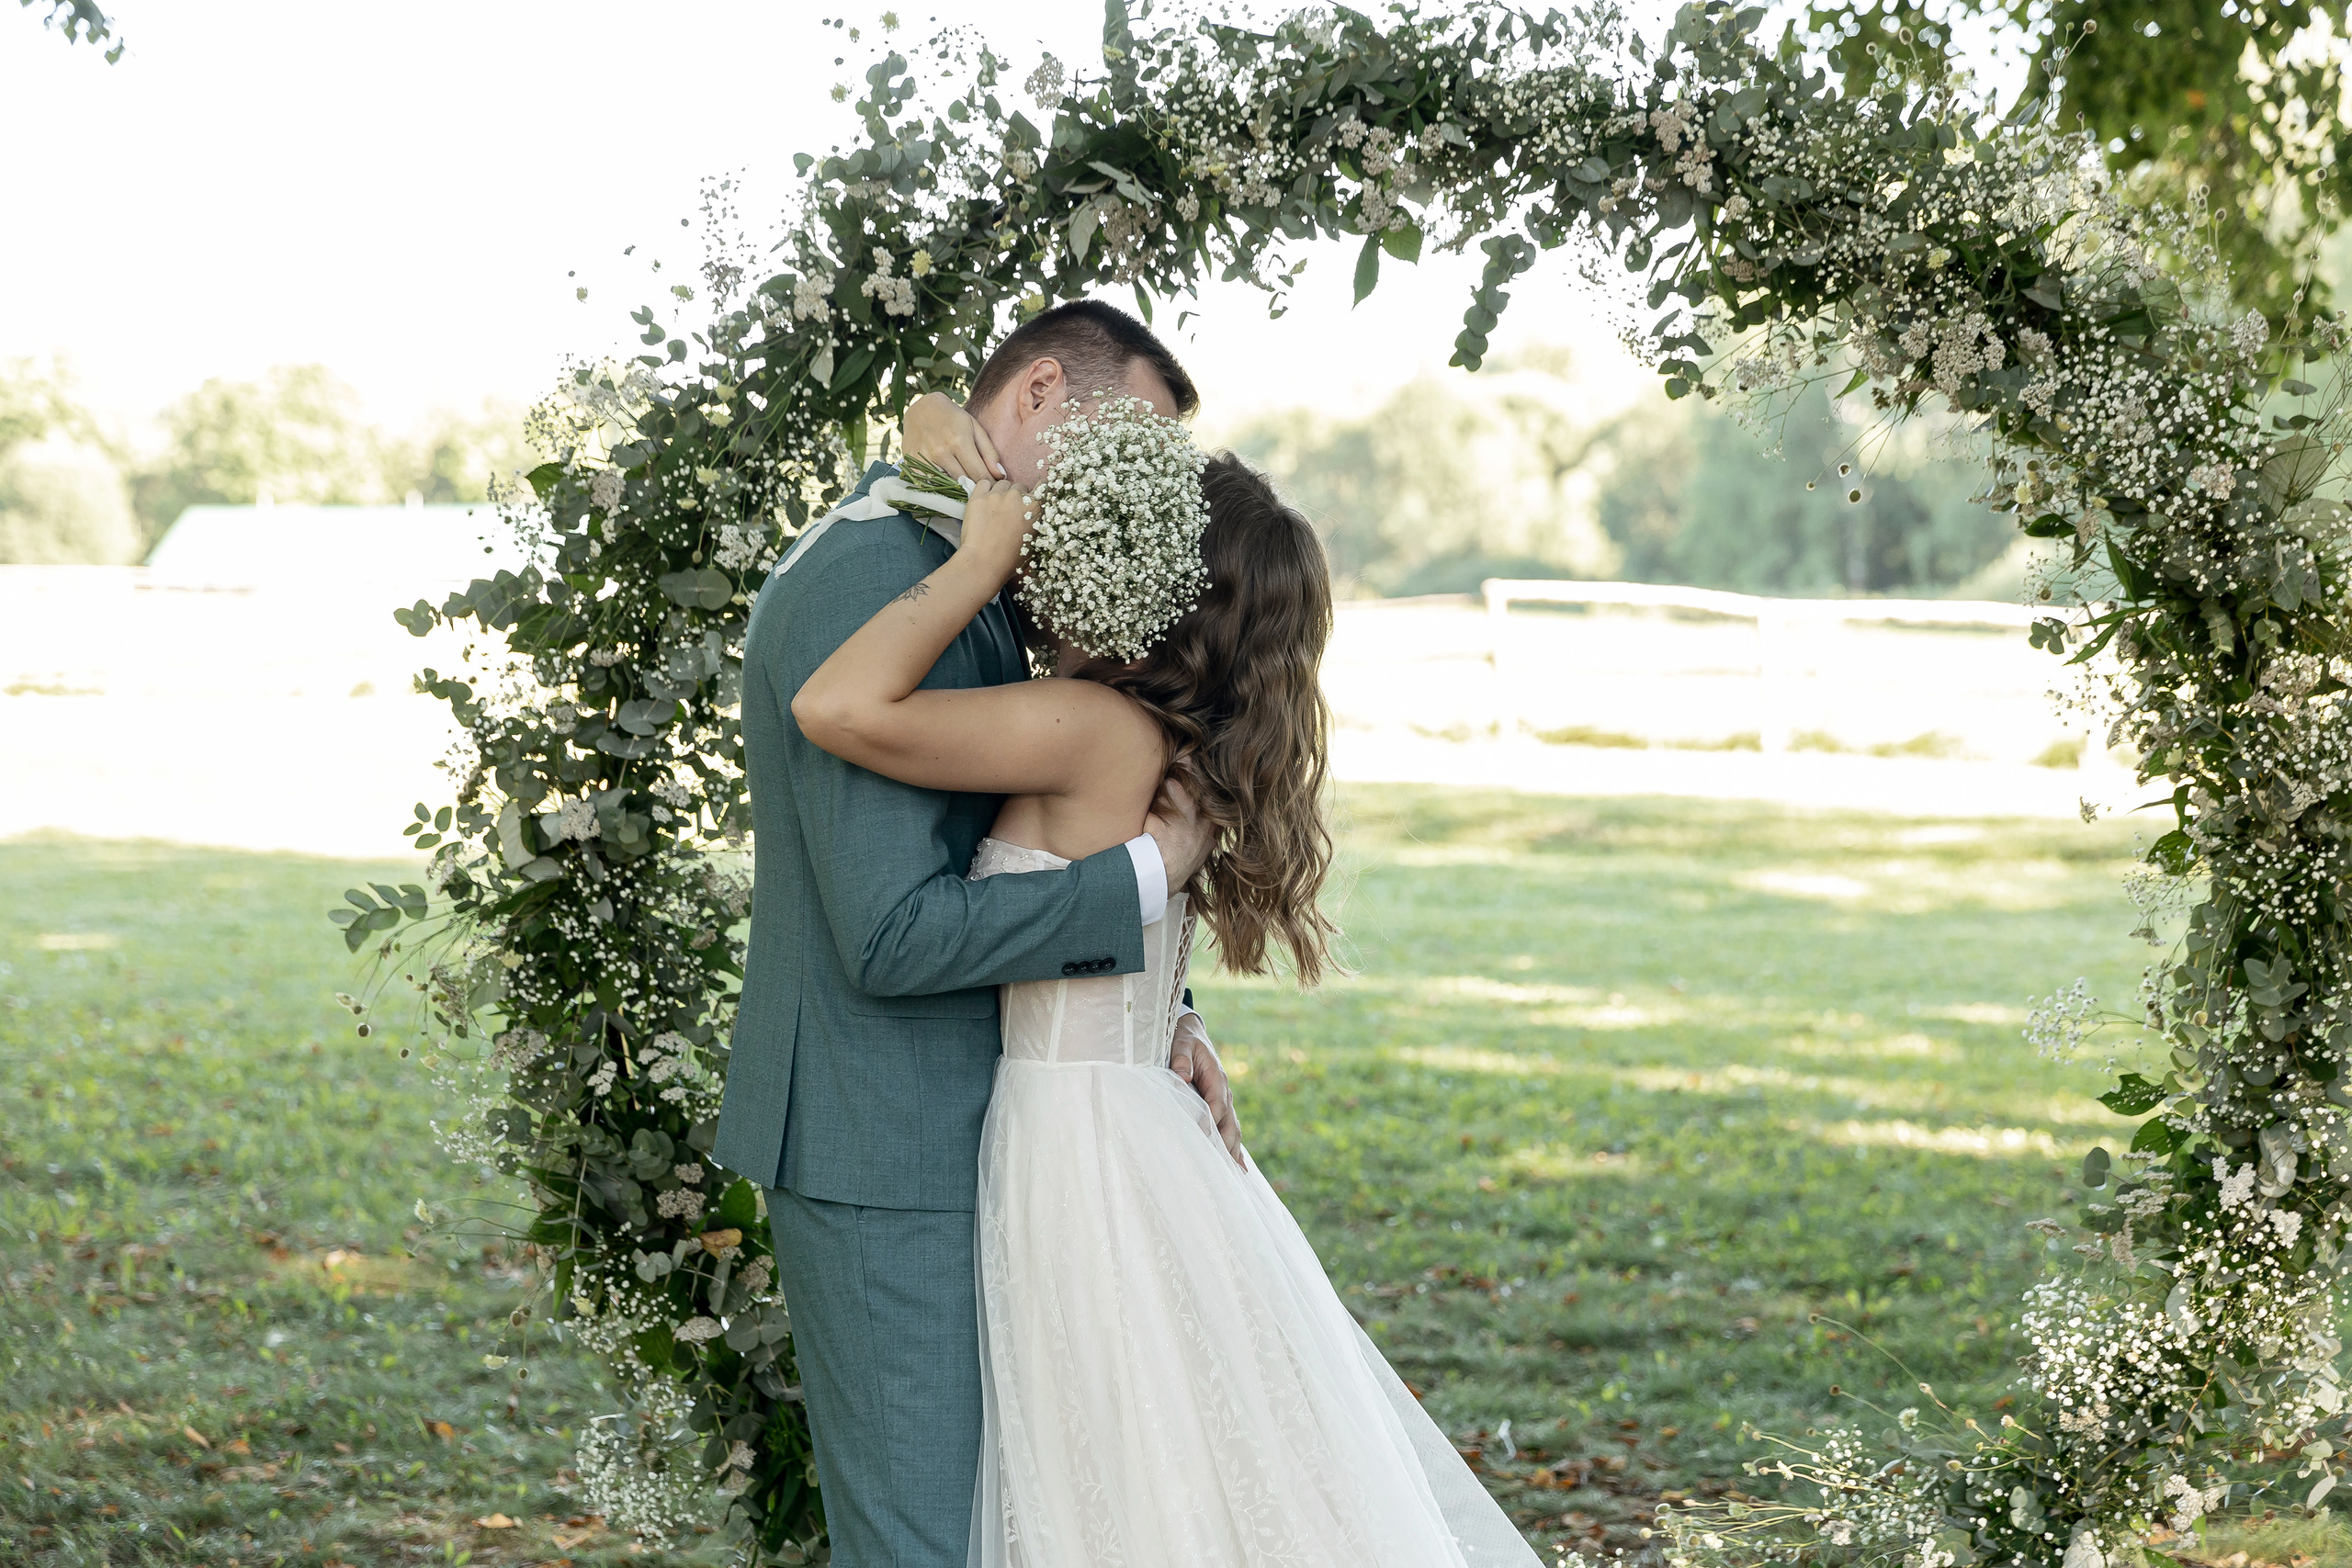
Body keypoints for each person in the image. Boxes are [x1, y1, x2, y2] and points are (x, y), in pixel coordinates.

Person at [793, 383, 1545, 1565]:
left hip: (1074, 1142)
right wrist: (939, 419)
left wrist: (978, 566)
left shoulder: (1089, 724)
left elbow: (834, 704)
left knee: (1117, 1466)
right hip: (1134, 1114)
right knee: (1178, 1455)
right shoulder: (1177, 749)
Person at [710, 301, 1240, 1568]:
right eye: (1131, 447)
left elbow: (1012, 840)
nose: (1135, 493)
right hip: (886, 1134)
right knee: (924, 1541)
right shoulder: (888, 576)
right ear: (1044, 392)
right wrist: (1138, 886)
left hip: (973, 1128)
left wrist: (1161, 1006)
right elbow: (892, 932)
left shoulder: (957, 560)